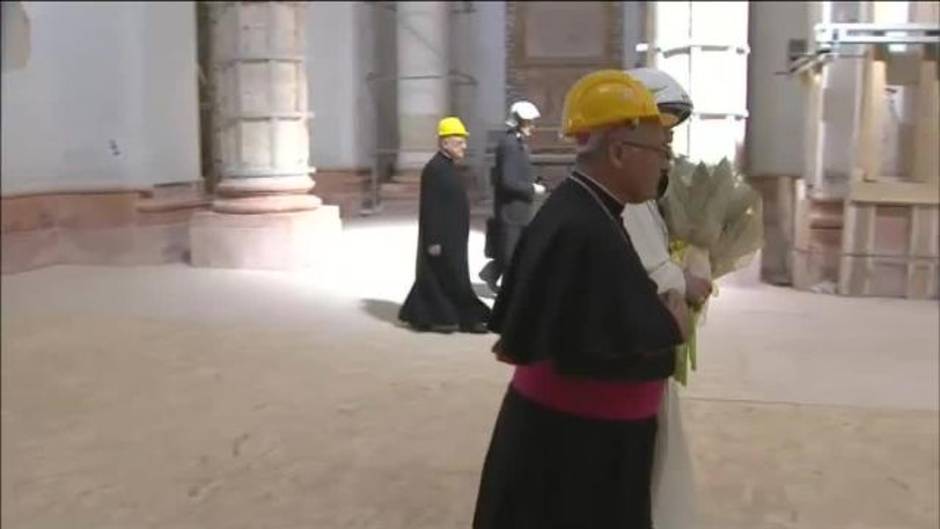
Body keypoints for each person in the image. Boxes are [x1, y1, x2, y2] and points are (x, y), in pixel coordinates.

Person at [473, 70, 691, 528]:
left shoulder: (587, 209)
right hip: (576, 453)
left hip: (572, 440)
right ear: (618, 151)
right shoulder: (585, 228)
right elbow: (640, 336)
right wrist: (670, 319)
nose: (665, 163)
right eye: (659, 151)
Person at [624, 66, 711, 529]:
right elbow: (642, 273)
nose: (666, 153)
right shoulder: (619, 197)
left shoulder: (640, 193)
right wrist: (684, 282)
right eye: (658, 138)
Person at [399, 117, 491, 334]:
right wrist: (433, 240)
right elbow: (430, 208)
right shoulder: (434, 169)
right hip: (441, 237)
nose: (464, 147)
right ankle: (468, 318)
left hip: (454, 235)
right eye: (459, 142)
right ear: (444, 143)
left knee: (441, 276)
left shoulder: (446, 166)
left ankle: (425, 314)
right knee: (450, 276)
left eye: (463, 142)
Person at [479, 101, 547, 293]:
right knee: (512, 254)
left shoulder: (516, 142)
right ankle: (510, 292)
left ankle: (492, 274)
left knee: (515, 251)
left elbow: (518, 173)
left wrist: (534, 181)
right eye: (529, 122)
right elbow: (508, 181)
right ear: (518, 121)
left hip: (518, 209)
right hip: (511, 210)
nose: (532, 127)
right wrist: (532, 189)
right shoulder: (509, 144)